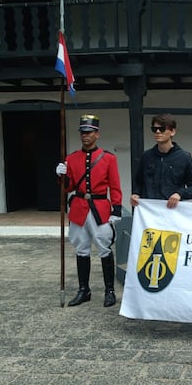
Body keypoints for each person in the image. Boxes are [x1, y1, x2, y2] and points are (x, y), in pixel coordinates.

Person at [55, 114, 123, 307]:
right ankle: (84, 290)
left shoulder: (108, 158)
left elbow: (115, 186)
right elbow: (67, 188)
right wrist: (61, 175)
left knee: (104, 247)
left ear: (97, 134)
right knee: (81, 249)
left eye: (89, 132)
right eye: (83, 132)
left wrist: (116, 209)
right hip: (79, 208)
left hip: (100, 209)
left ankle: (109, 291)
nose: (85, 136)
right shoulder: (72, 158)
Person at [131, 114, 192, 209]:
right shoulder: (146, 156)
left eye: (162, 129)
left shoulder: (184, 157)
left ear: (172, 131)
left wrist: (179, 194)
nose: (158, 132)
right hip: (149, 212)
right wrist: (136, 194)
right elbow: (138, 182)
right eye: (154, 129)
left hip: (172, 212)